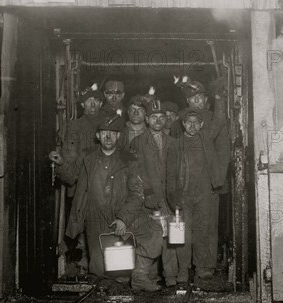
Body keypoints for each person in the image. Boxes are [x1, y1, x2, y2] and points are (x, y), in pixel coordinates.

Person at [56, 115, 162, 291]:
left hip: (121, 214)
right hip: (95, 218)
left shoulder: (129, 160)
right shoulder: (87, 158)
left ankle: (140, 276)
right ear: (97, 135)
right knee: (100, 272)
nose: (108, 137)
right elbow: (71, 177)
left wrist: (123, 218)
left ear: (119, 136)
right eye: (104, 133)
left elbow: (137, 193)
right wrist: (60, 164)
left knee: (154, 231)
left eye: (112, 134)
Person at [166, 84, 227, 286]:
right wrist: (173, 197)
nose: (192, 126)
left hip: (204, 193)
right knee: (183, 234)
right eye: (188, 122)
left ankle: (201, 268)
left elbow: (218, 121)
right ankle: (183, 270)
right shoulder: (175, 145)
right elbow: (171, 174)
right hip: (184, 195)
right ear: (182, 124)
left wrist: (218, 98)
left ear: (201, 125)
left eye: (196, 122)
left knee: (202, 232)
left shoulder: (206, 138)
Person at [50, 83, 104, 274]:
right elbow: (70, 156)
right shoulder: (74, 127)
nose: (92, 104)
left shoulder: (108, 123)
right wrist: (64, 167)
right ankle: (85, 263)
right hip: (81, 182)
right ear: (82, 104)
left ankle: (99, 265)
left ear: (100, 104)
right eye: (89, 101)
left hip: (104, 184)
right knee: (81, 225)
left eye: (96, 101)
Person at [129, 97, 177, 287]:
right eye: (154, 117)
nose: (158, 120)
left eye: (161, 117)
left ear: (166, 120)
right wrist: (147, 195)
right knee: (152, 238)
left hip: (170, 198)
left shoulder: (173, 142)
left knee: (172, 237)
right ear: (147, 119)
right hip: (149, 199)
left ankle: (170, 277)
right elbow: (133, 173)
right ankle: (140, 277)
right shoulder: (137, 142)